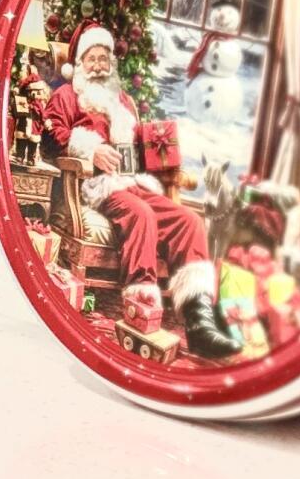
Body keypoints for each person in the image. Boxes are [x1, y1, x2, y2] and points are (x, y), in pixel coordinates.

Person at [40, 24, 237, 361]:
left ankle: (199, 321)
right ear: (81, 63)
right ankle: (141, 302)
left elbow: (141, 152)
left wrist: (162, 152)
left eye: (105, 58)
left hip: (134, 182)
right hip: (97, 185)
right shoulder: (67, 96)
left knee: (188, 220)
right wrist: (90, 149)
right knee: (140, 214)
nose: (100, 65)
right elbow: (51, 137)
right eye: (93, 58)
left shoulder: (123, 102)